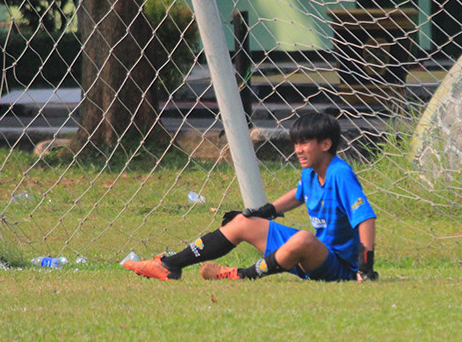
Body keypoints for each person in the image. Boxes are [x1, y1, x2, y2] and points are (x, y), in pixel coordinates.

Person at [124, 112, 378, 282]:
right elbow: (298, 195)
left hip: (341, 268)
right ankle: (170, 265)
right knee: (243, 223)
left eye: (305, 142)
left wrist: (365, 268)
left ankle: (241, 275)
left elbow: (365, 218)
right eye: (296, 143)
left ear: (325, 144)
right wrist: (264, 211)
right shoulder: (311, 172)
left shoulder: (340, 173)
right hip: (313, 258)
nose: (298, 149)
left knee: (302, 239)